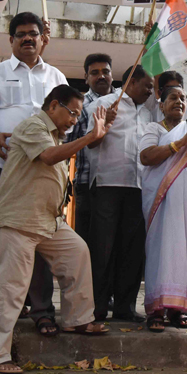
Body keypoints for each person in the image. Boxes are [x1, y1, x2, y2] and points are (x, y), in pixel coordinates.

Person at [0, 84, 111, 374]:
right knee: (11, 288)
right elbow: (50, 157)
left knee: (77, 252)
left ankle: (77, 319)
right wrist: (91, 136)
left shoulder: (54, 134)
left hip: (47, 221)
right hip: (18, 220)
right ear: (54, 105)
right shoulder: (32, 126)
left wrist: (94, 134)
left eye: (79, 116)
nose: (74, 121)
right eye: (72, 113)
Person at [0, 13, 65, 336]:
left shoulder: (56, 77)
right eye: (21, 34)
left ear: (42, 39)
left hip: (40, 171)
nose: (27, 39)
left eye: (33, 34)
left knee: (39, 238)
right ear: (10, 40)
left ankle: (41, 310)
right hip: (0, 166)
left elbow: (68, 118)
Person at [138, 86, 187, 331]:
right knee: (162, 251)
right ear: (161, 104)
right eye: (173, 97)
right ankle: (156, 310)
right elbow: (147, 157)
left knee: (185, 250)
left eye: (183, 98)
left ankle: (179, 308)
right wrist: (180, 142)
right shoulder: (154, 129)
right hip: (162, 202)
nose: (179, 101)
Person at [88, 65, 157, 322]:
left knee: (132, 249)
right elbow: (90, 142)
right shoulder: (107, 103)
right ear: (131, 82)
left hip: (139, 187)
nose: (151, 91)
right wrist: (104, 125)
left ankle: (125, 307)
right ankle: (97, 305)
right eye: (147, 85)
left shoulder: (150, 111)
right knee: (102, 248)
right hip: (108, 183)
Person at [67, 53, 114, 241]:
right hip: (88, 185)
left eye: (106, 72)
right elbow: (66, 144)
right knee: (86, 240)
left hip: (118, 185)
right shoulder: (79, 105)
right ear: (86, 78)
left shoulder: (124, 101)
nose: (101, 76)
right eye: (94, 73)